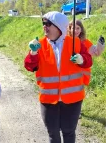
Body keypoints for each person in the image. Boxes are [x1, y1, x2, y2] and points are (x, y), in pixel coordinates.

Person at [24, 11, 92, 143]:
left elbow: (88, 60)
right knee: (53, 133)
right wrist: (33, 53)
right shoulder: (40, 44)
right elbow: (30, 67)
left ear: (60, 27)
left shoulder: (75, 43)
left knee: (69, 132)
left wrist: (82, 59)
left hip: (73, 99)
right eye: (43, 24)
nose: (45, 27)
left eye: (48, 24)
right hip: (49, 100)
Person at [68, 19, 105, 86]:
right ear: (70, 29)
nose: (75, 31)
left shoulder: (85, 42)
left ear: (81, 29)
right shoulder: (66, 41)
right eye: (73, 28)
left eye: (78, 28)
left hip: (82, 75)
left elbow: (96, 52)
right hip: (69, 75)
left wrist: (100, 45)